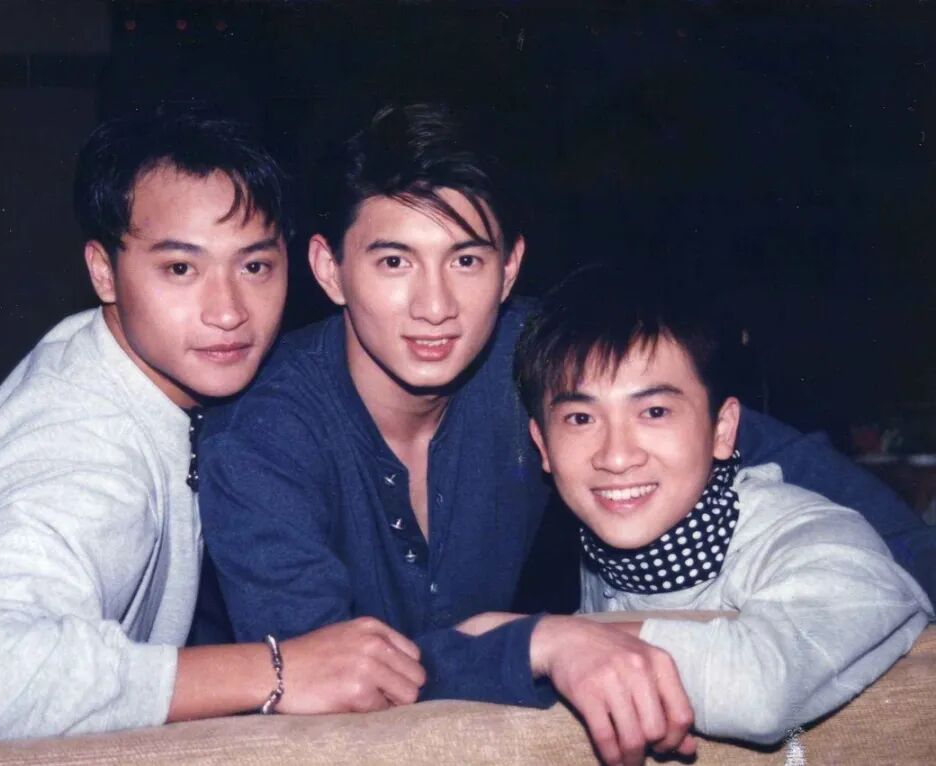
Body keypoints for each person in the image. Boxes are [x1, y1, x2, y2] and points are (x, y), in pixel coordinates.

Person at [196, 102, 934, 765]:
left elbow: (753, 445)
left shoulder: (540, 359)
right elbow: (331, 680)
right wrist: (540, 643)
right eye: (394, 261)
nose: (434, 305)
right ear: (329, 270)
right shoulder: (261, 436)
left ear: (509, 268)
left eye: (466, 260)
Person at [0, 104, 424, 746]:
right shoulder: (88, 453)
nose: (228, 311)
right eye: (180, 268)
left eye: (254, 266)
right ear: (103, 272)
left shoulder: (127, 363)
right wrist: (275, 670)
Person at [490, 262, 932, 744]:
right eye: (580, 418)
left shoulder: (821, 543)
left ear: (722, 429)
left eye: (654, 411)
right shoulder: (609, 558)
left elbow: (758, 692)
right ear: (542, 444)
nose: (615, 457)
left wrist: (544, 640)